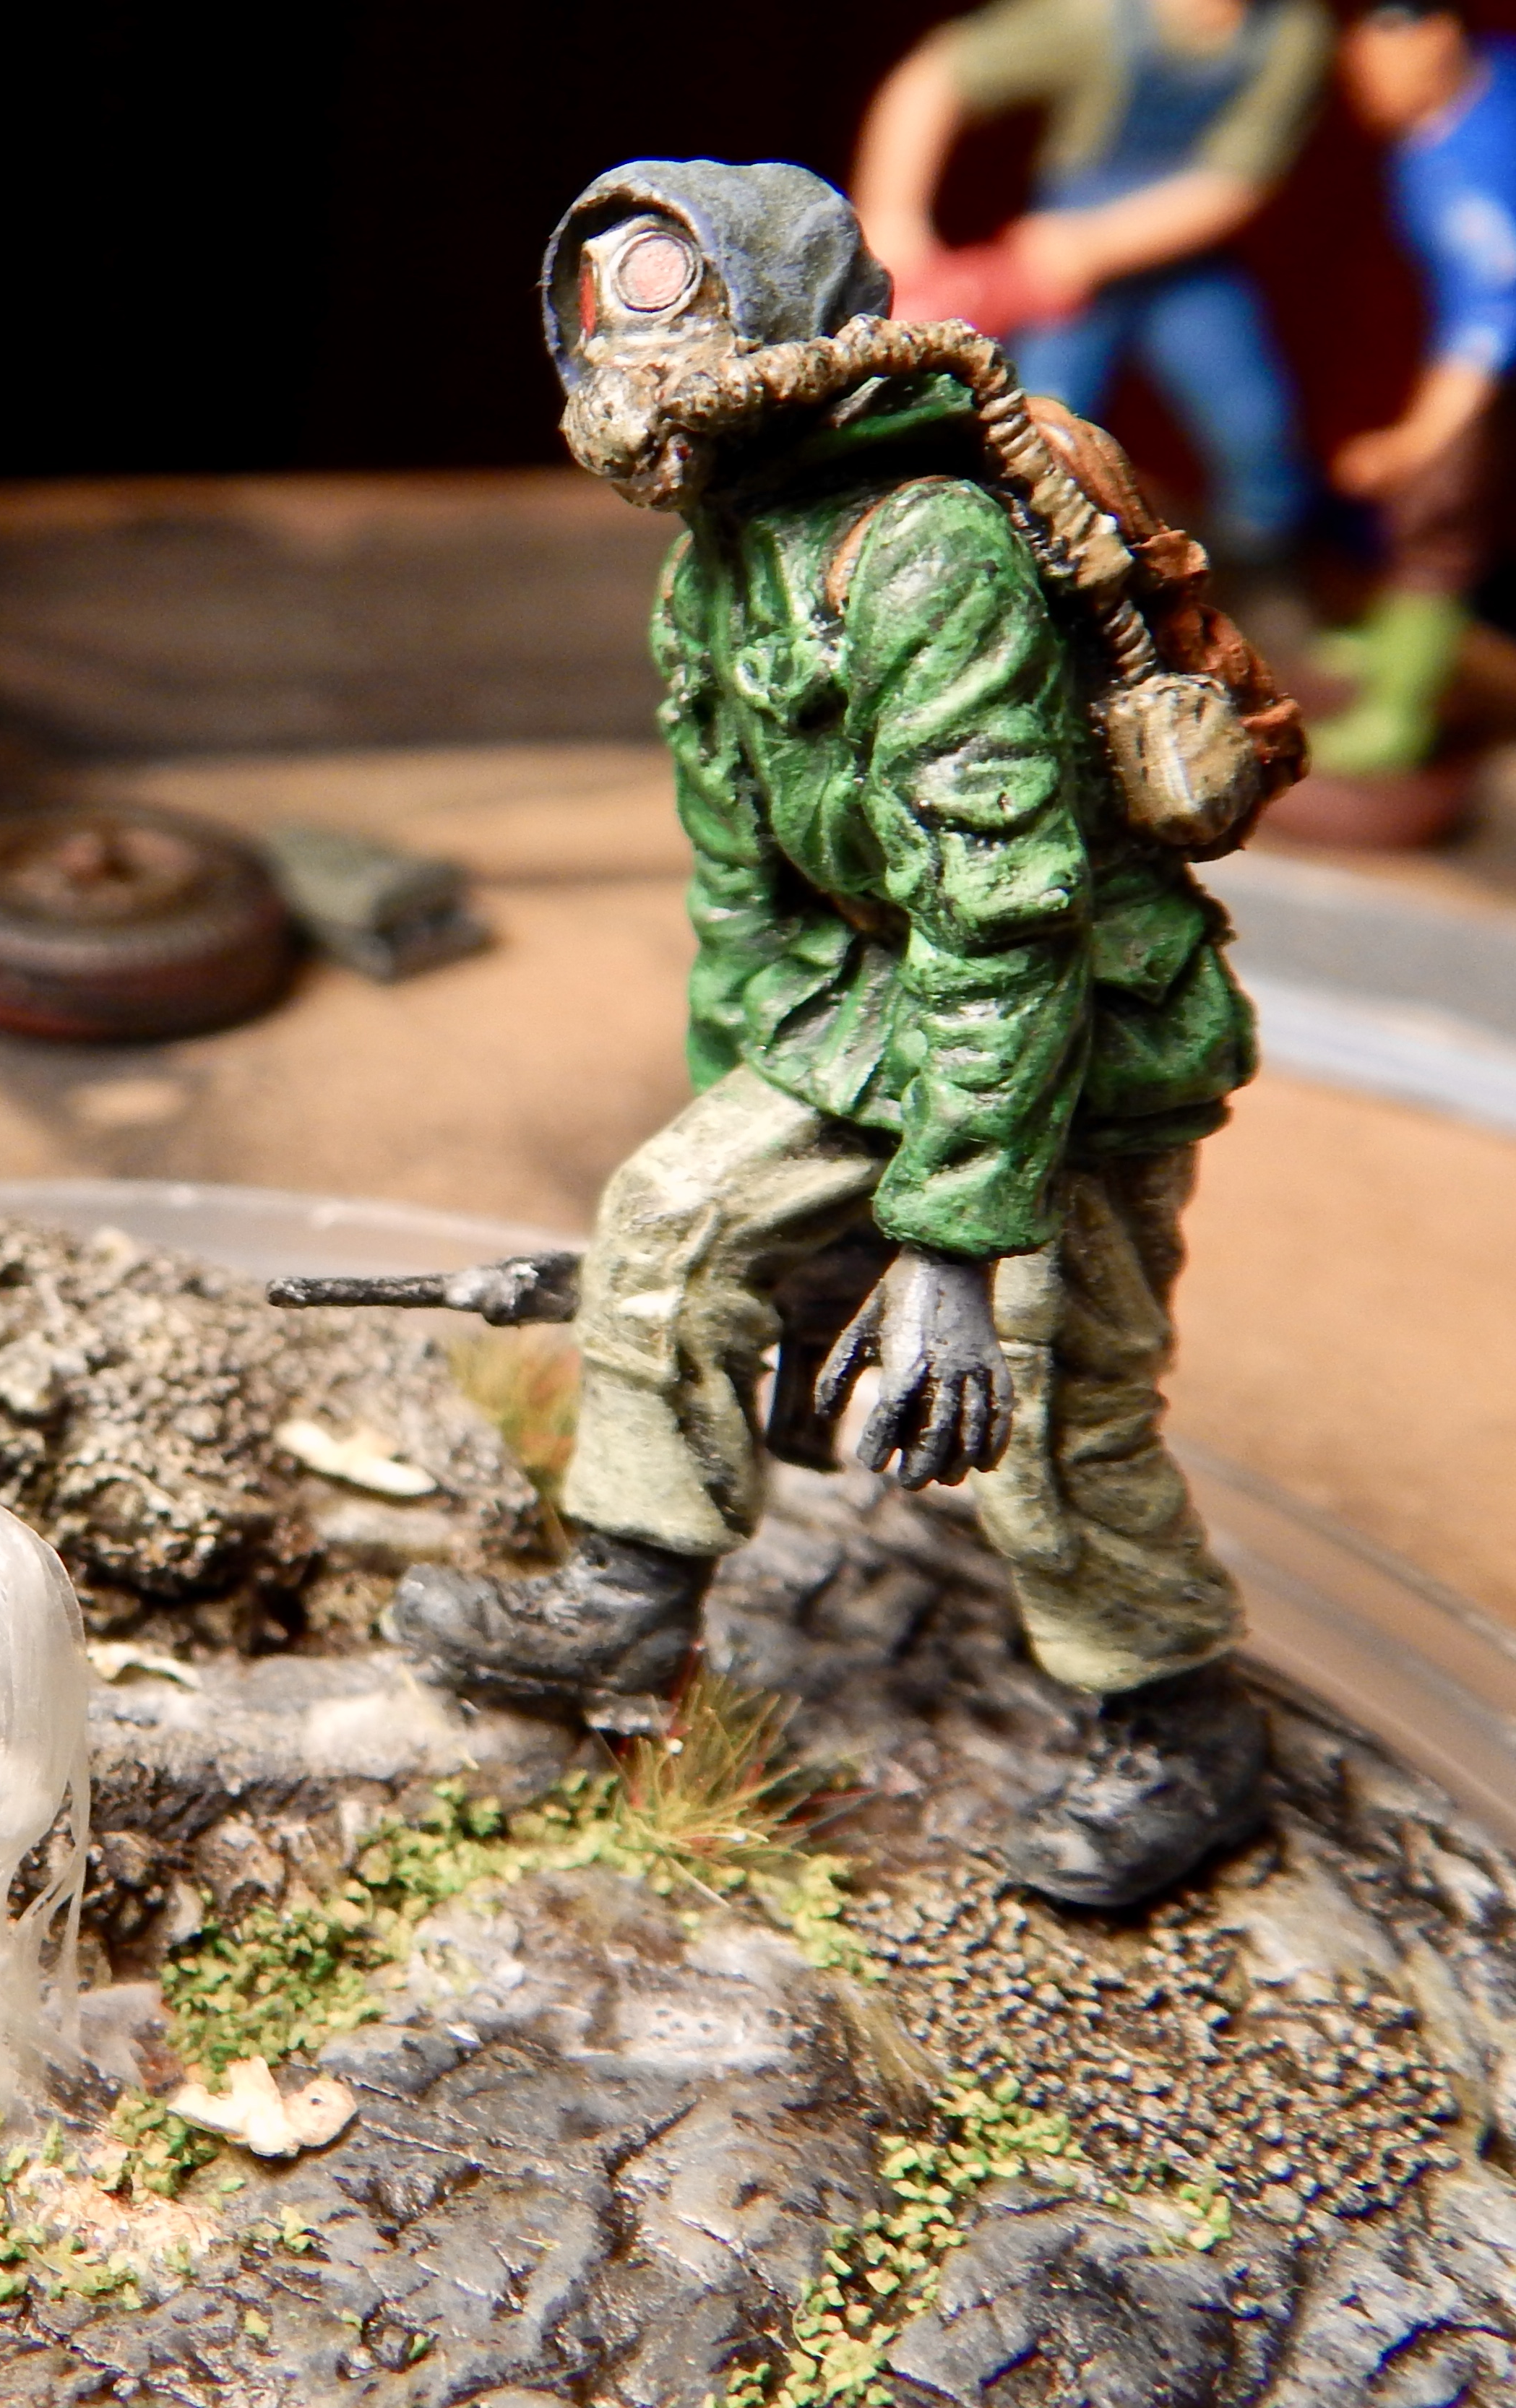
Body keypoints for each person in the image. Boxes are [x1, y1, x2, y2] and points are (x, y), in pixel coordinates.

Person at [395, 160, 1270, 1910]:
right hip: (876, 999)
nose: (627, 389)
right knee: (668, 1220)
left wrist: (942, 1243)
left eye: (673, 342)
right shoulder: (713, 574)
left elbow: (1003, 914)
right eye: (605, 346)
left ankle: (1177, 1717)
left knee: (1045, 1403)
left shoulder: (926, 551)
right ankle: (627, 1598)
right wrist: (788, 1221)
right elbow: (747, 903)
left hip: (1069, 1033)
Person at [855, 0, 1330, 581]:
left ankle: (1265, 572)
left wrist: (1096, 244)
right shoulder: (1096, 18)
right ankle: (1028, 573)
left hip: (1180, 262)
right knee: (1043, 421)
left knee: (1255, 426)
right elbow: (934, 78)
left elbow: (1237, 181)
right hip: (1071, 271)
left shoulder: (1288, 36)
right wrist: (893, 218)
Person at [1313, 1, 1516, 774]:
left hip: (1490, 345)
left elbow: (1486, 319)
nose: (1363, 87)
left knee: (1436, 503)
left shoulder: (1462, 177)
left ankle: (1395, 713)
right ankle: (1400, 635)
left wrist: (1414, 444)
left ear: (1437, 40)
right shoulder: (1468, 96)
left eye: (1381, 64)